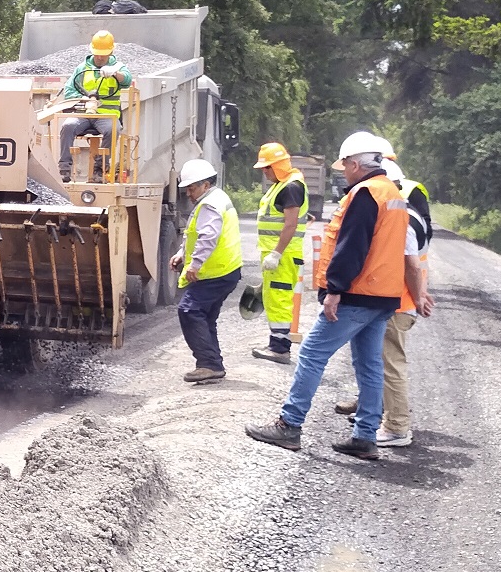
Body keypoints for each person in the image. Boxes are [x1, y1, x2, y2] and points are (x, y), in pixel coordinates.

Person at [244, 131, 410, 459]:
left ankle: (289, 425)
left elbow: (353, 247)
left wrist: (335, 289)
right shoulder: (391, 192)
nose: (343, 170)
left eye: (345, 164)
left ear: (357, 163)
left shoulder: (365, 194)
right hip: (384, 295)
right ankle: (365, 435)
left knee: (311, 355)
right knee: (369, 363)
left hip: (357, 293)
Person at [337, 153, 435, 445]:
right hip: (400, 300)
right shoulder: (409, 213)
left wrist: (417, 297)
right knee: (379, 361)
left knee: (390, 364)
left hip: (398, 302)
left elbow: (410, 263)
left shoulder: (399, 217)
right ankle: (377, 414)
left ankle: (396, 427)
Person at [170, 157, 243, 384]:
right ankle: (213, 365)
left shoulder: (209, 204)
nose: (189, 194)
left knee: (189, 310)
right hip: (225, 271)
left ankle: (208, 364)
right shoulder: (215, 199)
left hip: (215, 273)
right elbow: (195, 234)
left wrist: (195, 264)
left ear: (205, 184)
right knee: (206, 316)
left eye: (191, 188)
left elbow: (208, 236)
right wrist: (183, 254)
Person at [250, 143, 309, 364]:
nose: (264, 172)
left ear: (278, 165)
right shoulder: (282, 185)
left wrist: (276, 253)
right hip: (278, 254)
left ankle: (280, 349)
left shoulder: (291, 187)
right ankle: (276, 343)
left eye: (267, 168)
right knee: (273, 298)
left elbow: (290, 225)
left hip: (283, 256)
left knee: (280, 300)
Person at [58, 31, 133, 182]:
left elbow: (127, 80)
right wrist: (83, 98)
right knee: (67, 126)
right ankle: (64, 167)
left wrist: (115, 73)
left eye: (103, 54)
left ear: (111, 51)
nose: (99, 57)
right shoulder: (82, 68)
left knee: (113, 129)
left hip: (107, 116)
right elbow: (69, 89)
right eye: (97, 53)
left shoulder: (118, 67)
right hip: (84, 114)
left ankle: (101, 168)